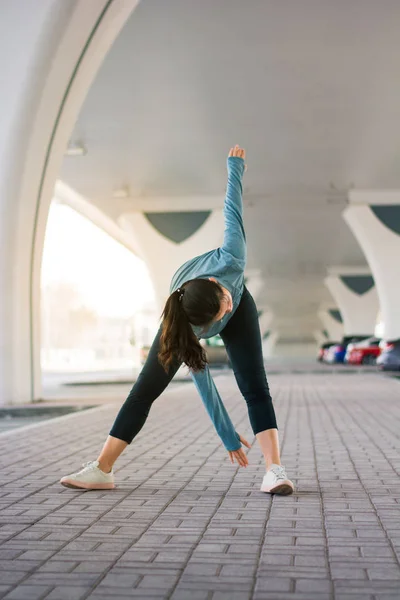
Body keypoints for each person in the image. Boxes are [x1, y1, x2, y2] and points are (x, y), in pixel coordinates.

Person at [60, 145, 294, 495]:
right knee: (143, 391)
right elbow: (201, 377)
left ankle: (275, 471)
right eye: (219, 316)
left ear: (217, 285)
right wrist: (226, 434)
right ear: (201, 324)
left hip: (245, 303)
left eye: (222, 305)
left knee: (255, 388)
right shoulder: (184, 320)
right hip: (189, 314)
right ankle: (102, 469)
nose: (224, 313)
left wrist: (235, 167)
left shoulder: (232, 257)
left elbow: (232, 211)